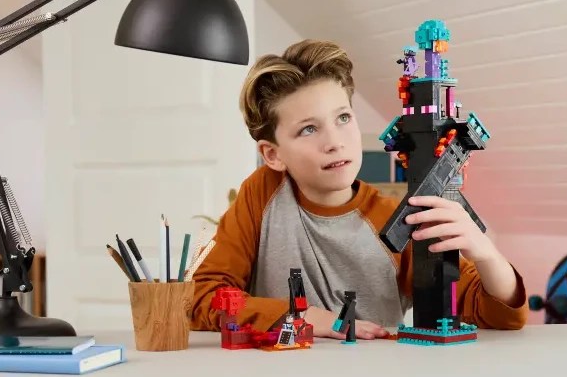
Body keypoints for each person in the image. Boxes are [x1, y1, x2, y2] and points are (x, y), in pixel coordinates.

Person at [190, 39, 527, 340]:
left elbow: (502, 315)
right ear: (273, 155)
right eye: (308, 129)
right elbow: (204, 298)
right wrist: (303, 317)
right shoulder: (262, 193)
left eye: (343, 118)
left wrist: (485, 253)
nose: (335, 142)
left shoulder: (399, 220)